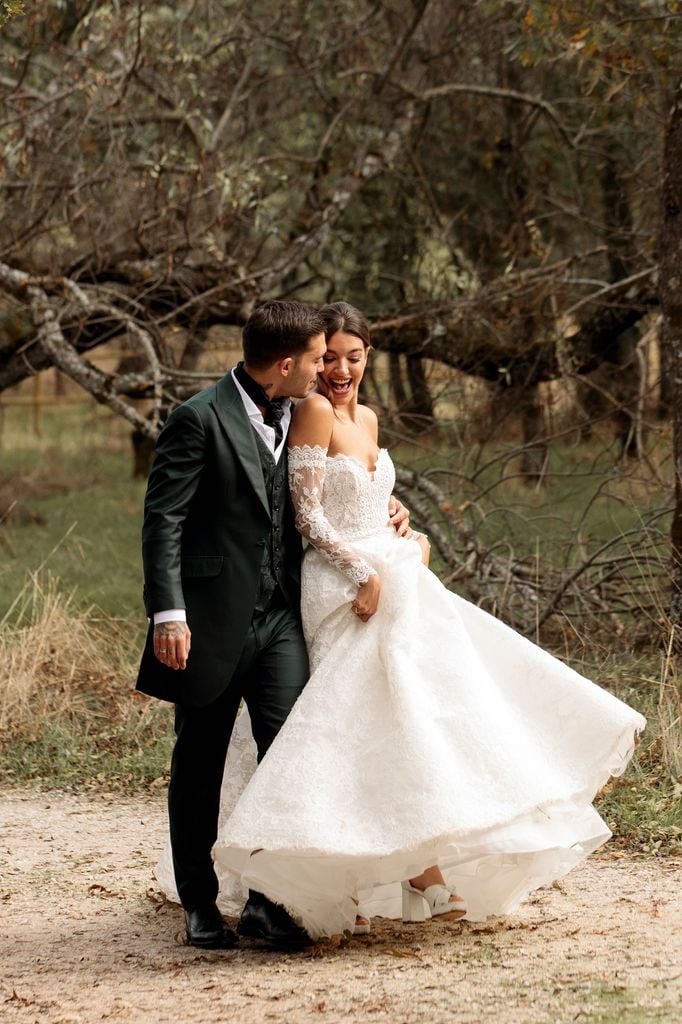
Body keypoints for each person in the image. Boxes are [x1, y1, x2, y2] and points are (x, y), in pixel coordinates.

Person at [209, 301, 646, 940]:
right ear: (311, 359)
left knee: (416, 713)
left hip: (393, 571)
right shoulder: (311, 411)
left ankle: (422, 866)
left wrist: (401, 517)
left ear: (368, 358)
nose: (339, 369)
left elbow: (360, 486)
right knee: (352, 724)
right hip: (342, 584)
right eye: (327, 357)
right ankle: (361, 876)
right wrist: (363, 573)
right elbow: (308, 513)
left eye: (353, 357)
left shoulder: (369, 416)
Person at [136, 299, 410, 950]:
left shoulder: (305, 411)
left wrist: (385, 504)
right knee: (199, 761)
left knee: (290, 754)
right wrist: (168, 612)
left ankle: (266, 899)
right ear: (286, 364)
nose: (328, 368)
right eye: (318, 358)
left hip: (284, 614)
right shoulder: (197, 419)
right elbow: (163, 520)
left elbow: (317, 493)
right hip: (207, 621)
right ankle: (200, 902)